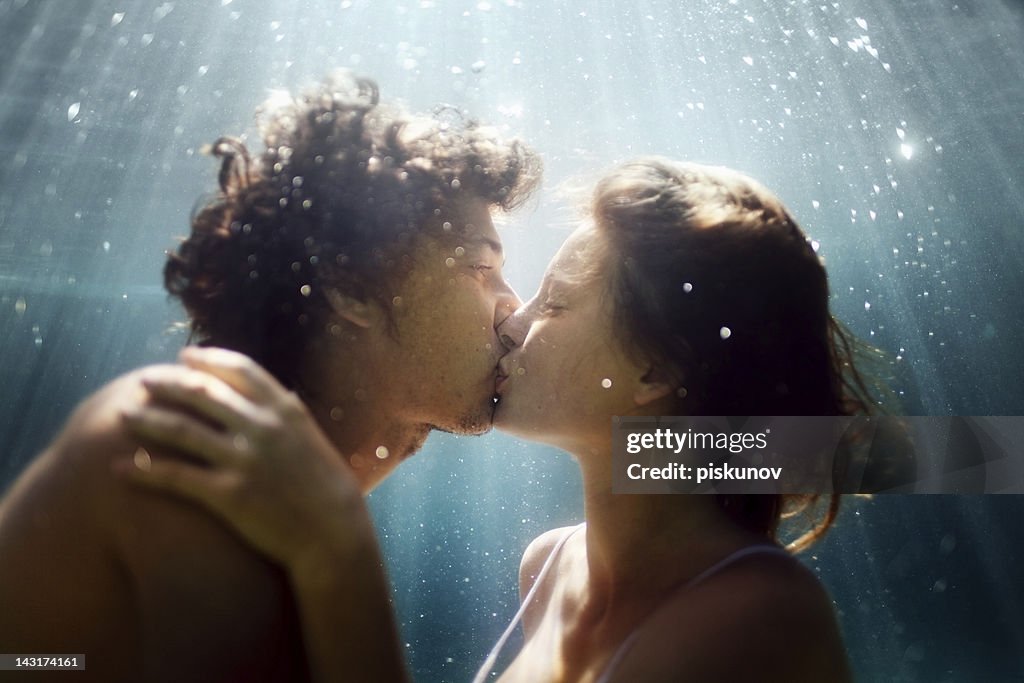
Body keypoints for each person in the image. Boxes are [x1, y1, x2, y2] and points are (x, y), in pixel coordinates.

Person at [116, 158, 874, 681]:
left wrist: (333, 552)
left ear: (654, 369)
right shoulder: (547, 566)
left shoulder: (760, 618)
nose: (514, 319)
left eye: (557, 302)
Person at [0, 71, 540, 681]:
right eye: (481, 268)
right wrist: (342, 550)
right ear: (350, 283)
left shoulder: (266, 490)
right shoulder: (178, 444)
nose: (514, 309)